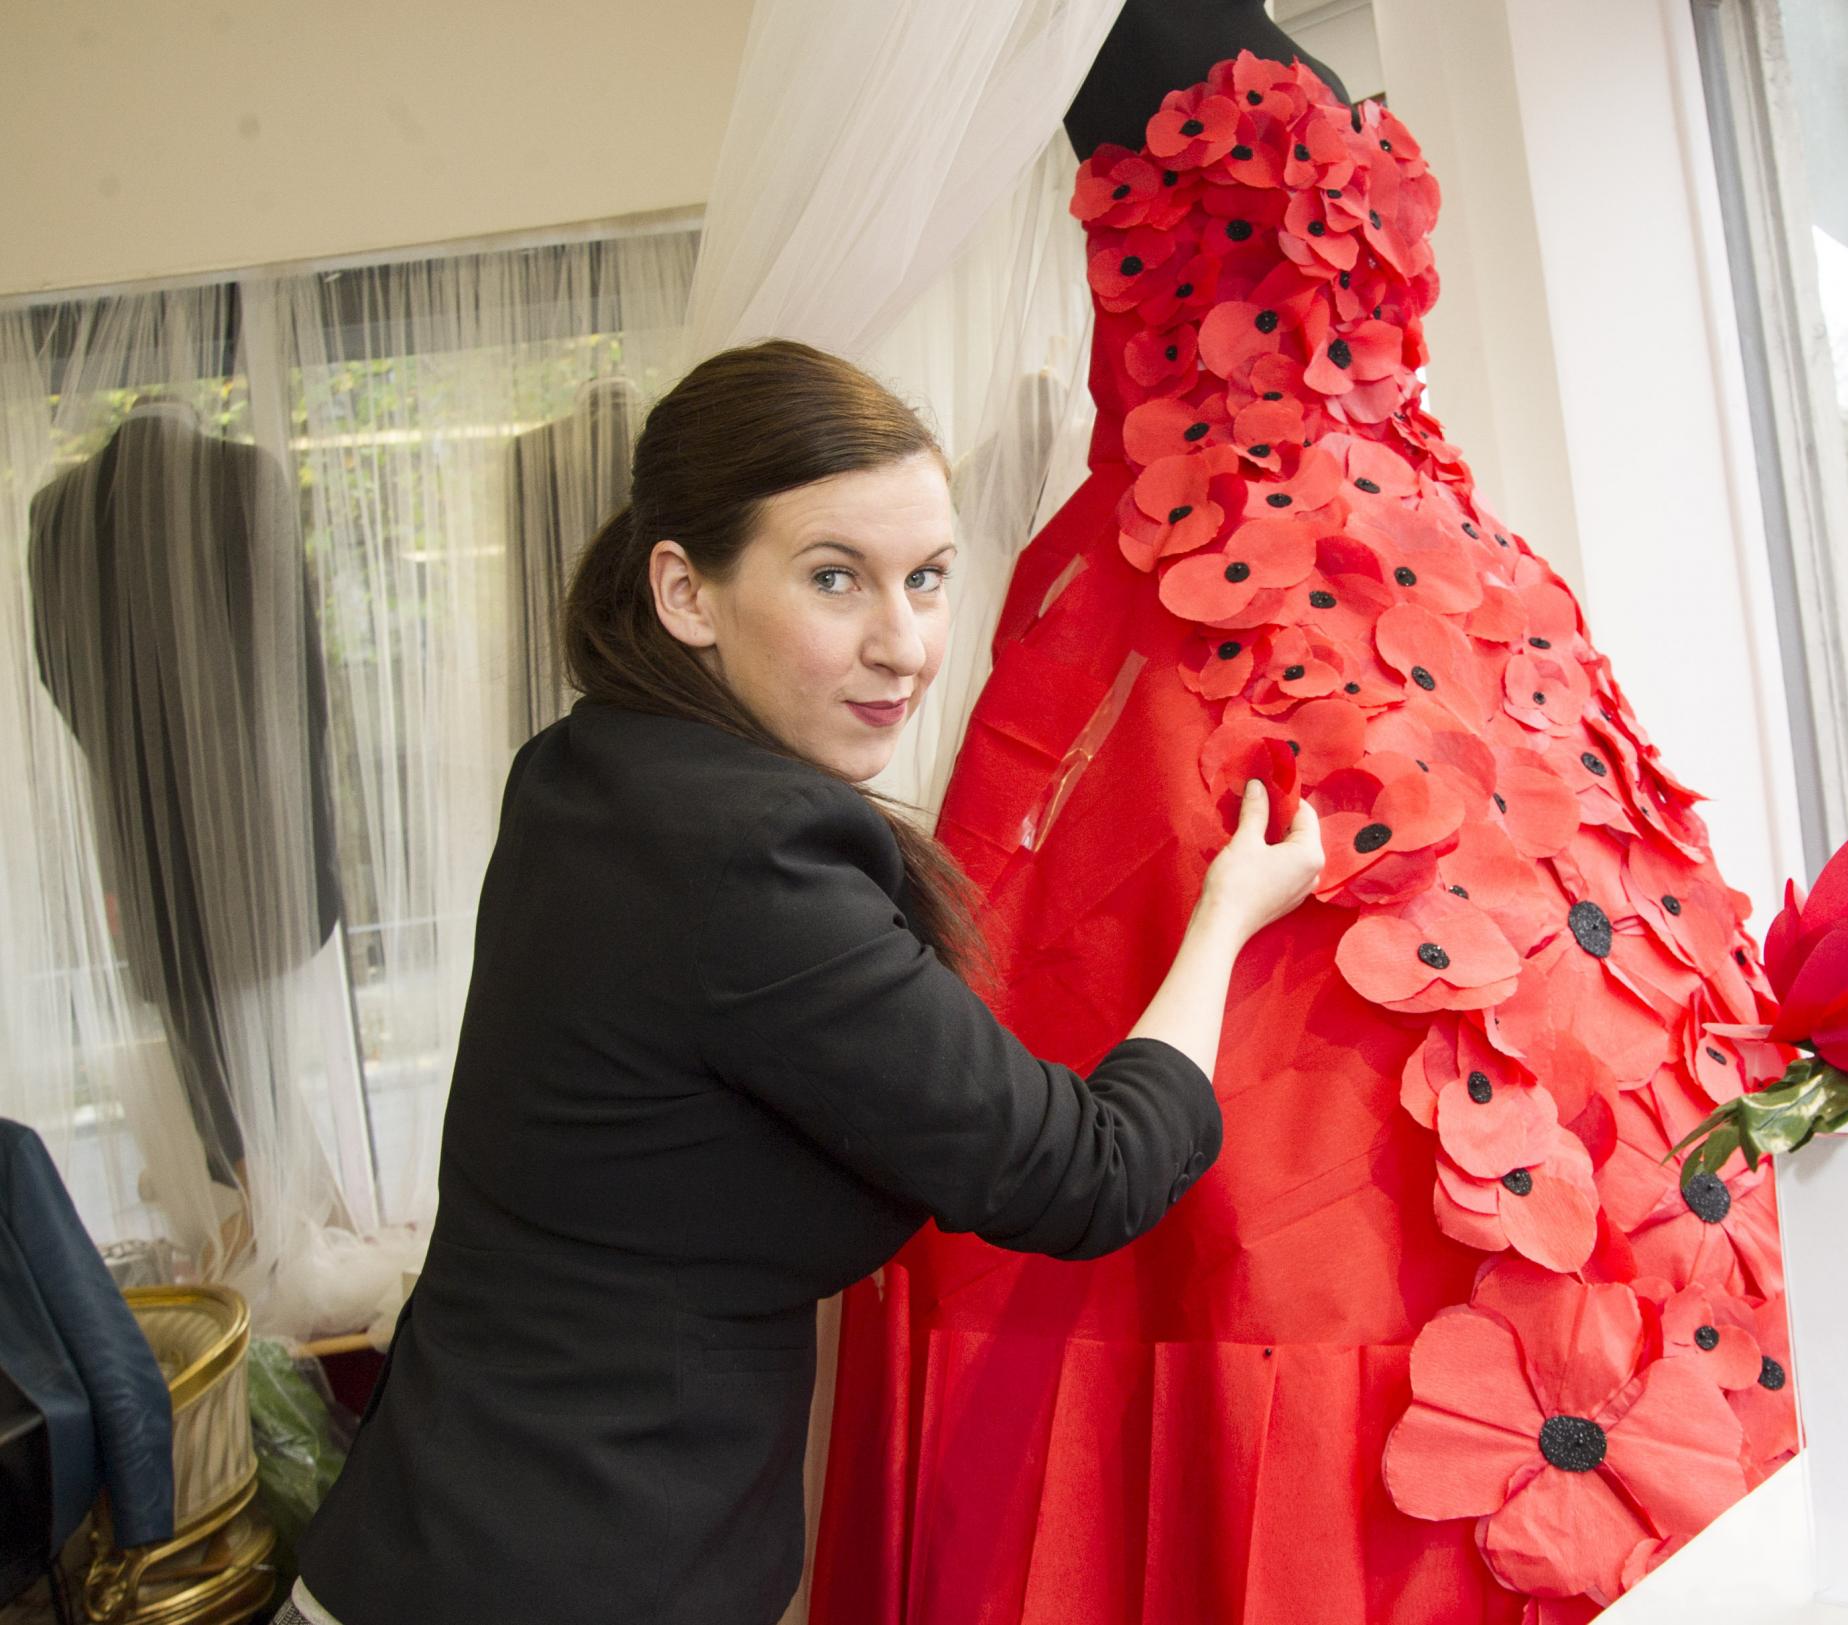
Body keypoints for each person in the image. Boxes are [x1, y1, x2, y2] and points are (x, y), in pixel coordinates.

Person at [805, 13, 1797, 1625]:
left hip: (1425, 579)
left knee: (1533, 1081)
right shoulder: (1087, 31)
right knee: (1284, 1175)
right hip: (1208, 602)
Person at [285, 338, 1324, 1625]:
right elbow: (1090, 1171)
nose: (907, 646)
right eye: (836, 579)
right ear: (687, 590)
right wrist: (1226, 917)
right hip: (562, 1569)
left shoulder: (586, 765)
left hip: (426, 1533)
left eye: (929, 578)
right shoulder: (746, 854)